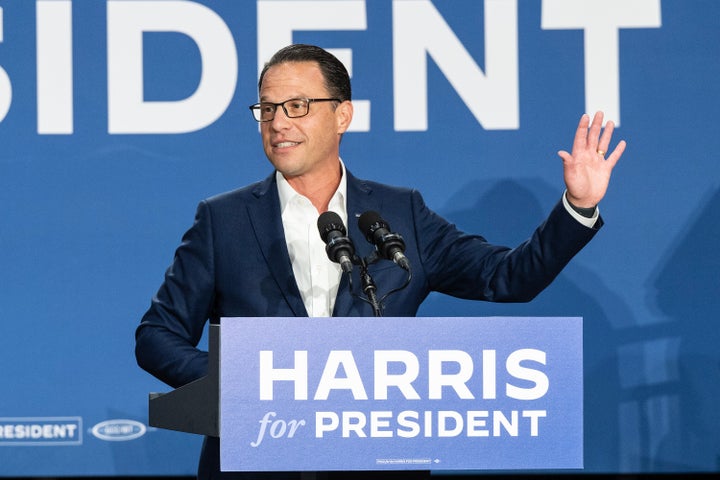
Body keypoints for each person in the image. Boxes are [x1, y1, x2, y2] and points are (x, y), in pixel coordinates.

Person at [135, 44, 626, 479]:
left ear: (342, 115)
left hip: (377, 463)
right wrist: (242, 384)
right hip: (259, 462)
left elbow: (508, 278)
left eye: (297, 106)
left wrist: (577, 207)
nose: (278, 122)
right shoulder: (223, 220)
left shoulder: (399, 215)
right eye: (266, 108)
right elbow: (157, 336)